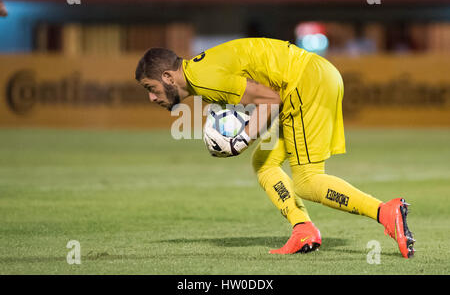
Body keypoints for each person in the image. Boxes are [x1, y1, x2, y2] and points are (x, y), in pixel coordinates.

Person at [134, 38, 415, 258]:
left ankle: (385, 211)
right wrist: (243, 133)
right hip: (311, 76)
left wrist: (240, 139)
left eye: (151, 87)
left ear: (169, 77)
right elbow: (264, 96)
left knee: (307, 181)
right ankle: (303, 229)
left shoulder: (203, 78)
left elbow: (269, 99)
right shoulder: (199, 72)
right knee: (264, 163)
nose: (151, 97)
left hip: (305, 83)